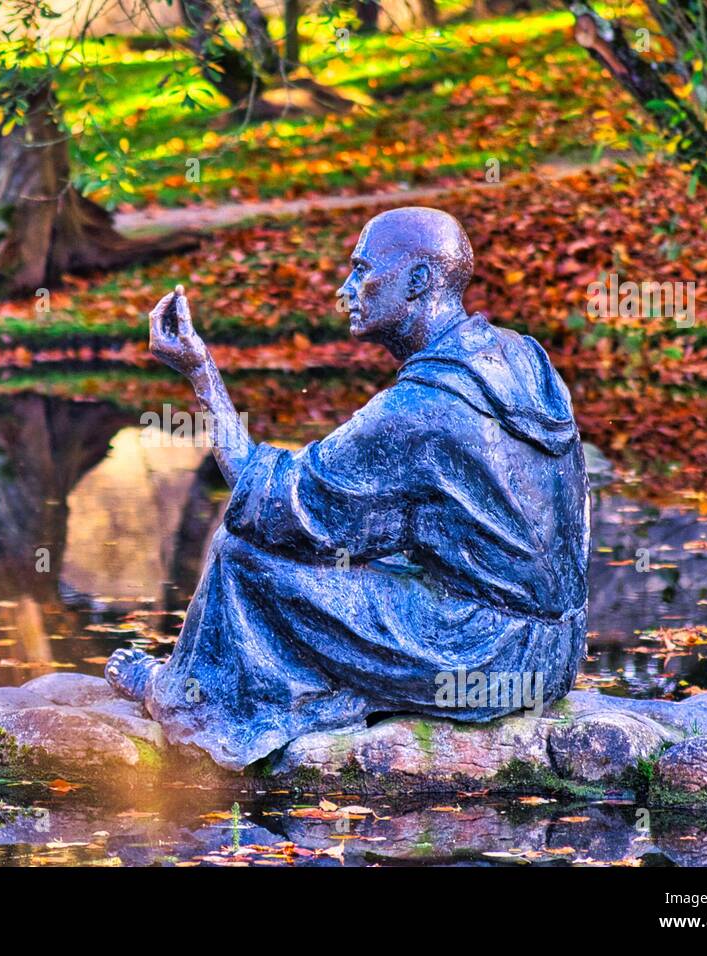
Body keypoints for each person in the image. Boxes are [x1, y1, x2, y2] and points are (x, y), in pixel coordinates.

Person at [106, 207, 589, 771]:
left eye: (363, 271)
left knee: (240, 553)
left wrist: (203, 376)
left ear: (416, 281)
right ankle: (304, 690)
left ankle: (183, 697)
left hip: (487, 660)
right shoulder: (524, 357)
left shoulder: (418, 409)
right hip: (558, 653)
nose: (346, 289)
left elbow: (275, 500)